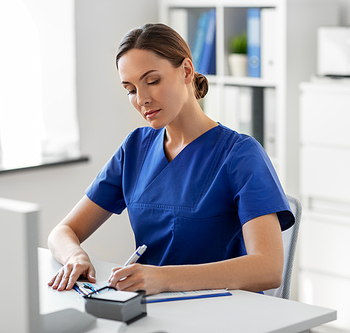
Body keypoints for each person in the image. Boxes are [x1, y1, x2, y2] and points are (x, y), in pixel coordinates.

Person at [48, 23, 294, 296]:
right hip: (152, 311)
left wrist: (163, 278)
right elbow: (62, 231)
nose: (142, 99)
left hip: (224, 313)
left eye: (152, 81)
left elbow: (268, 268)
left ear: (186, 71)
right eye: (130, 89)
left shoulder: (240, 154)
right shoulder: (135, 149)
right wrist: (74, 257)